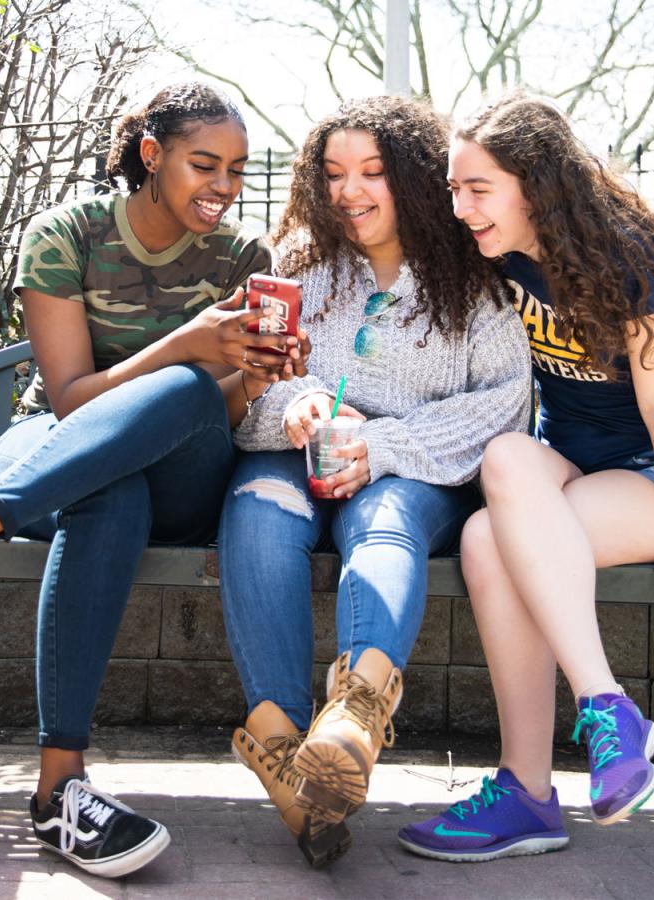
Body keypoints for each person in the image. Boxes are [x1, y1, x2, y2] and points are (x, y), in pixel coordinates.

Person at [0, 83, 307, 879]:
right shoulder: (68, 235)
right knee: (108, 489)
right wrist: (186, 342)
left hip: (187, 473)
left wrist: (255, 379)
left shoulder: (243, 259)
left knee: (195, 391)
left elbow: (220, 412)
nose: (224, 187)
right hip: (61, 446)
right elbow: (69, 398)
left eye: (236, 168)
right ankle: (61, 790)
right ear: (153, 156)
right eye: (205, 164)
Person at [398, 93, 654, 864]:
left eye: (477, 189)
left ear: (535, 184)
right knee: (502, 476)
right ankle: (573, 744)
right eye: (454, 188)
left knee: (488, 543)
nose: (461, 205)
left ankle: (554, 762)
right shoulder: (500, 255)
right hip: (568, 463)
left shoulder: (625, 256)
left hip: (650, 477)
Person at [218, 96, 531, 868]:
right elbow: (242, 394)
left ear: (418, 179)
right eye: (332, 173)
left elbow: (503, 410)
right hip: (291, 466)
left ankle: (355, 718)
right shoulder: (294, 268)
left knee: (383, 519)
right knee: (256, 506)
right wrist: (294, 406)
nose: (348, 191)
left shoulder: (472, 286)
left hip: (411, 477)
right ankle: (291, 754)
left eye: (372, 172)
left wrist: (381, 444)